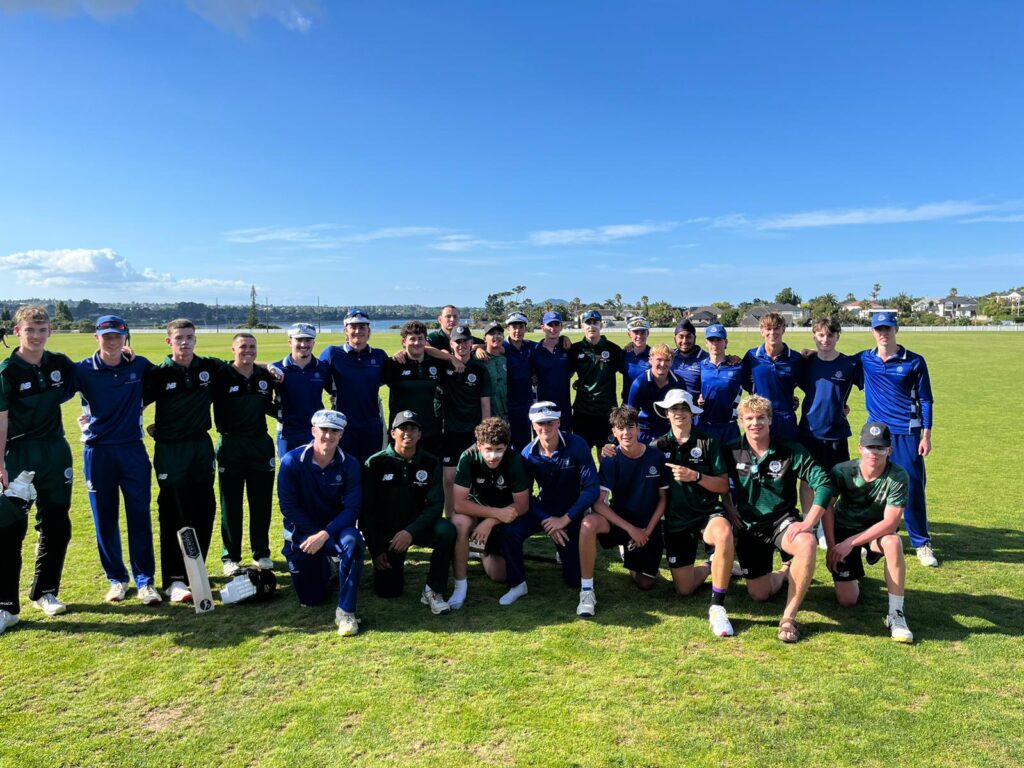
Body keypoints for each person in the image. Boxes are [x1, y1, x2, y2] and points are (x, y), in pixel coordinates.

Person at [724, 395, 834, 643]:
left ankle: (788, 618)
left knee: (807, 542)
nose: (755, 423)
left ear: (770, 420)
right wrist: (728, 505)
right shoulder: (730, 450)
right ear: (741, 421)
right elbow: (717, 482)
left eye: (761, 418)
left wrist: (809, 523)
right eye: (749, 418)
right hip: (749, 526)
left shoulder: (790, 450)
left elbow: (824, 484)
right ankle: (785, 571)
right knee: (759, 594)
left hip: (782, 522)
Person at [74, 315, 161, 605]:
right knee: (105, 519)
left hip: (132, 450)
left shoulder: (140, 365)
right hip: (97, 452)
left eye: (117, 336)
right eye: (106, 336)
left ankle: (145, 581)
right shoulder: (82, 370)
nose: (112, 341)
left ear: (126, 338)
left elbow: (171, 379)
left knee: (139, 517)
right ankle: (116, 580)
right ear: (96, 338)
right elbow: (51, 392)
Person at [0, 305, 76, 620]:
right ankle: (6, 607)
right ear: (17, 331)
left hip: (55, 451)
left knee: (57, 523)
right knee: (8, 528)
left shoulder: (60, 364)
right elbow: (1, 420)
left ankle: (45, 591)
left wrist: (121, 353)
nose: (36, 336)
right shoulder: (7, 372)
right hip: (18, 453)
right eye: (29, 330)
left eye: (42, 330)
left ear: (50, 331)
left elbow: (93, 375)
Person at [143, 318, 226, 603]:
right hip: (171, 450)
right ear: (169, 341)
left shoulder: (208, 367)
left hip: (201, 447)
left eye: (189, 337)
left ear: (195, 339)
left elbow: (242, 365)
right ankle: (174, 580)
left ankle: (196, 570)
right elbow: (132, 403)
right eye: (179, 338)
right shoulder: (158, 374)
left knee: (205, 509)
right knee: (174, 511)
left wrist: (273, 368)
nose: (185, 342)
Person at [652, 389, 735, 638]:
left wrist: (695, 476)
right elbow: (633, 457)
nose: (679, 413)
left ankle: (718, 607)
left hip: (707, 514)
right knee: (684, 589)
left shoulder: (708, 442)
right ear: (666, 413)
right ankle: (714, 564)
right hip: (676, 520)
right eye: (674, 409)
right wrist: (609, 451)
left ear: (692, 413)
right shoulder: (657, 446)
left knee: (724, 533)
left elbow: (723, 486)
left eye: (684, 408)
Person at [499, 402, 599, 605]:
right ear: (533, 425)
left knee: (574, 579)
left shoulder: (577, 444)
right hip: (544, 513)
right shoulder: (527, 454)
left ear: (559, 422)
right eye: (540, 423)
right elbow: (526, 495)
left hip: (571, 513)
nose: (545, 427)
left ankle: (565, 553)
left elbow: (592, 488)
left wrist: (565, 519)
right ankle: (517, 584)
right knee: (510, 530)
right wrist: (547, 520)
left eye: (550, 422)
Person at [859, 311, 937, 567]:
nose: (883, 333)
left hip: (907, 432)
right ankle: (875, 539)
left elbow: (926, 400)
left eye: (888, 328)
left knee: (912, 488)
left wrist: (926, 435)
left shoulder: (914, 361)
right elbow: (836, 366)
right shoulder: (865, 359)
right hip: (877, 433)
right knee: (874, 487)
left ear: (896, 330)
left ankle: (922, 543)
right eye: (879, 329)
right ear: (873, 331)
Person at [277, 409, 365, 637]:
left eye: (335, 431)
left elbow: (352, 509)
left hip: (334, 531)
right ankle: (327, 566)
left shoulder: (350, 464)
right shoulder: (291, 461)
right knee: (310, 599)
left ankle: (346, 612)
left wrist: (324, 534)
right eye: (324, 430)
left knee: (354, 542)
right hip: (303, 533)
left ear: (341, 434)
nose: (329, 435)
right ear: (313, 431)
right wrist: (315, 533)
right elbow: (288, 507)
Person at [824, 422, 914, 642]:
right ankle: (856, 574)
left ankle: (896, 614)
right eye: (870, 447)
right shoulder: (842, 471)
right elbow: (828, 508)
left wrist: (851, 543)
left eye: (880, 448)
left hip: (876, 532)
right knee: (847, 601)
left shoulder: (898, 476)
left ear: (889, 450)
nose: (874, 452)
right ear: (860, 448)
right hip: (844, 529)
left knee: (893, 542)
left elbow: (890, 523)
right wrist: (832, 546)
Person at [361, 411, 455, 615]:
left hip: (418, 527)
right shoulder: (374, 463)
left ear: (420, 434)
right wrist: (376, 549)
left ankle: (434, 589)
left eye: (413, 429)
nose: (408, 433)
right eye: (402, 428)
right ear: (392, 433)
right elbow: (366, 511)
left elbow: (436, 505)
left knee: (446, 530)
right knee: (388, 590)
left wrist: (410, 532)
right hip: (389, 533)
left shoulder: (430, 462)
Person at [577, 406, 666, 618]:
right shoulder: (610, 458)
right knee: (589, 523)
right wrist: (631, 530)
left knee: (645, 583)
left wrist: (647, 530)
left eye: (631, 427)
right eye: (621, 428)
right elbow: (598, 503)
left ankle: (629, 553)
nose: (626, 433)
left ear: (638, 429)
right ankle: (587, 590)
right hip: (621, 521)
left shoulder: (656, 456)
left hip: (646, 523)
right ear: (614, 432)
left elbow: (663, 500)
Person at [213, 333, 278, 575]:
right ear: (233, 349)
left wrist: (269, 367)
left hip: (260, 444)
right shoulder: (221, 374)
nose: (248, 350)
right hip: (231, 444)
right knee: (231, 504)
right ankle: (230, 557)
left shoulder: (264, 376)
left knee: (261, 502)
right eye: (242, 346)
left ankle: (261, 552)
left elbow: (272, 406)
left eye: (252, 346)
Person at [450, 417, 531, 609]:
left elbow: (522, 505)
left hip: (504, 516)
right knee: (459, 522)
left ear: (506, 446)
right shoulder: (467, 457)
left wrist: (491, 521)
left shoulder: (514, 460)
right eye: (488, 449)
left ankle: (479, 551)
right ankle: (460, 586)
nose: (493, 455)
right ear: (479, 445)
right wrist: (493, 514)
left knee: (499, 575)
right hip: (478, 512)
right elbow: (459, 504)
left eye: (499, 449)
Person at [797, 316, 863, 545]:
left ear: (837, 337)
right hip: (809, 431)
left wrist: (844, 407)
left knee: (835, 483)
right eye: (821, 335)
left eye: (830, 335)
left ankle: (825, 526)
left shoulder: (849, 365)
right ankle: (809, 524)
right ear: (814, 336)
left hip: (836, 433)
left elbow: (871, 385)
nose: (825, 339)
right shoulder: (806, 363)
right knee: (807, 480)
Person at [319, 309, 390, 464]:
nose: (358, 331)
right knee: (343, 469)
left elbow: (389, 378)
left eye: (362, 327)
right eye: (353, 327)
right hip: (341, 425)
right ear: (345, 330)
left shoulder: (379, 356)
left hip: (372, 425)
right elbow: (316, 376)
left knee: (371, 468)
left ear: (369, 331)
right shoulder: (332, 353)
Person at [439, 325, 492, 514]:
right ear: (451, 344)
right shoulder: (443, 366)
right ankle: (450, 518)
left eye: (465, 341)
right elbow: (425, 349)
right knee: (448, 479)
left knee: (475, 479)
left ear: (471, 343)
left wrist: (484, 435)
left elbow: (485, 404)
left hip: (473, 432)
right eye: (458, 341)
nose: (462, 345)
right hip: (450, 432)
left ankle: (474, 519)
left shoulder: (480, 370)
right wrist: (449, 358)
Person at [384, 321, 445, 457]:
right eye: (412, 339)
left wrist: (452, 358)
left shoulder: (437, 363)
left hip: (430, 431)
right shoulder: (393, 364)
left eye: (420, 338)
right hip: (402, 432)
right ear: (403, 342)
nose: (416, 343)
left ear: (425, 341)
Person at [742, 312, 806, 441]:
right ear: (762, 331)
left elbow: (807, 384)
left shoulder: (795, 358)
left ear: (783, 330)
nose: (772, 332)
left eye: (776, 328)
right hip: (759, 418)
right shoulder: (752, 356)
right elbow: (743, 380)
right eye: (768, 329)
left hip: (785, 418)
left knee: (788, 453)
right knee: (760, 452)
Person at [272, 323, 330, 457]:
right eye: (298, 340)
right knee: (288, 467)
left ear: (313, 343)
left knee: (315, 468)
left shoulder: (323, 368)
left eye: (308, 340)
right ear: (290, 342)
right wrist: (281, 414)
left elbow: (336, 392)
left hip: (315, 431)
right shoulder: (277, 369)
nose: (303, 344)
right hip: (287, 433)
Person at [569, 310, 623, 453]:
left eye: (595, 323)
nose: (592, 326)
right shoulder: (575, 349)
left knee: (606, 453)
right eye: (588, 323)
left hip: (607, 411)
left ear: (601, 325)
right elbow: (565, 374)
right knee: (582, 454)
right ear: (582, 326)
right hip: (582, 412)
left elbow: (629, 371)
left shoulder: (614, 349)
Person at [697, 324, 744, 445]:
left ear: (726, 342)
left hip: (729, 428)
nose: (715, 344)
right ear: (706, 343)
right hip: (705, 426)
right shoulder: (700, 366)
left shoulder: (738, 366)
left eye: (719, 340)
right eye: (711, 340)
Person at [628, 343, 683, 444]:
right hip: (645, 431)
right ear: (650, 360)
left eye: (667, 360)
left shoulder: (679, 382)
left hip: (670, 431)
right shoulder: (639, 383)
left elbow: (683, 411)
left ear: (672, 362)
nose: (662, 364)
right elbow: (631, 414)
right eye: (659, 359)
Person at [501, 312, 537, 451]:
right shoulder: (501, 347)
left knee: (524, 445)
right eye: (514, 327)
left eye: (521, 327)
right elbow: (484, 345)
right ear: (508, 328)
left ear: (525, 328)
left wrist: (563, 338)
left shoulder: (530, 346)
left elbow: (548, 344)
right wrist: (478, 347)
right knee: (505, 445)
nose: (517, 331)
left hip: (525, 405)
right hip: (506, 406)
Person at [532, 311, 573, 432]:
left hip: (564, 407)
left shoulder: (568, 349)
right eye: (550, 325)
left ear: (561, 327)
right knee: (543, 439)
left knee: (565, 439)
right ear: (543, 328)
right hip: (542, 406)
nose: (553, 328)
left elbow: (572, 371)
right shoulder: (535, 350)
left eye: (556, 324)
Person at [669, 319, 708, 400]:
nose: (684, 341)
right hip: (672, 406)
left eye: (689, 336)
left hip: (695, 407)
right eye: (681, 337)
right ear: (675, 339)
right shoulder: (669, 356)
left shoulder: (706, 358)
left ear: (694, 338)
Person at [478, 321, 508, 422]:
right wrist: (477, 349)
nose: (496, 336)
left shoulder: (505, 359)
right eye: (492, 334)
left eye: (499, 333)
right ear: (484, 338)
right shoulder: (478, 359)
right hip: (486, 415)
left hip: (507, 415)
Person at [620, 316, 652, 403]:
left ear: (648, 333)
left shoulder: (654, 355)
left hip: (648, 405)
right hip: (627, 404)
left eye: (643, 332)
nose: (639, 336)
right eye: (635, 332)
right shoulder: (623, 354)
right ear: (629, 334)